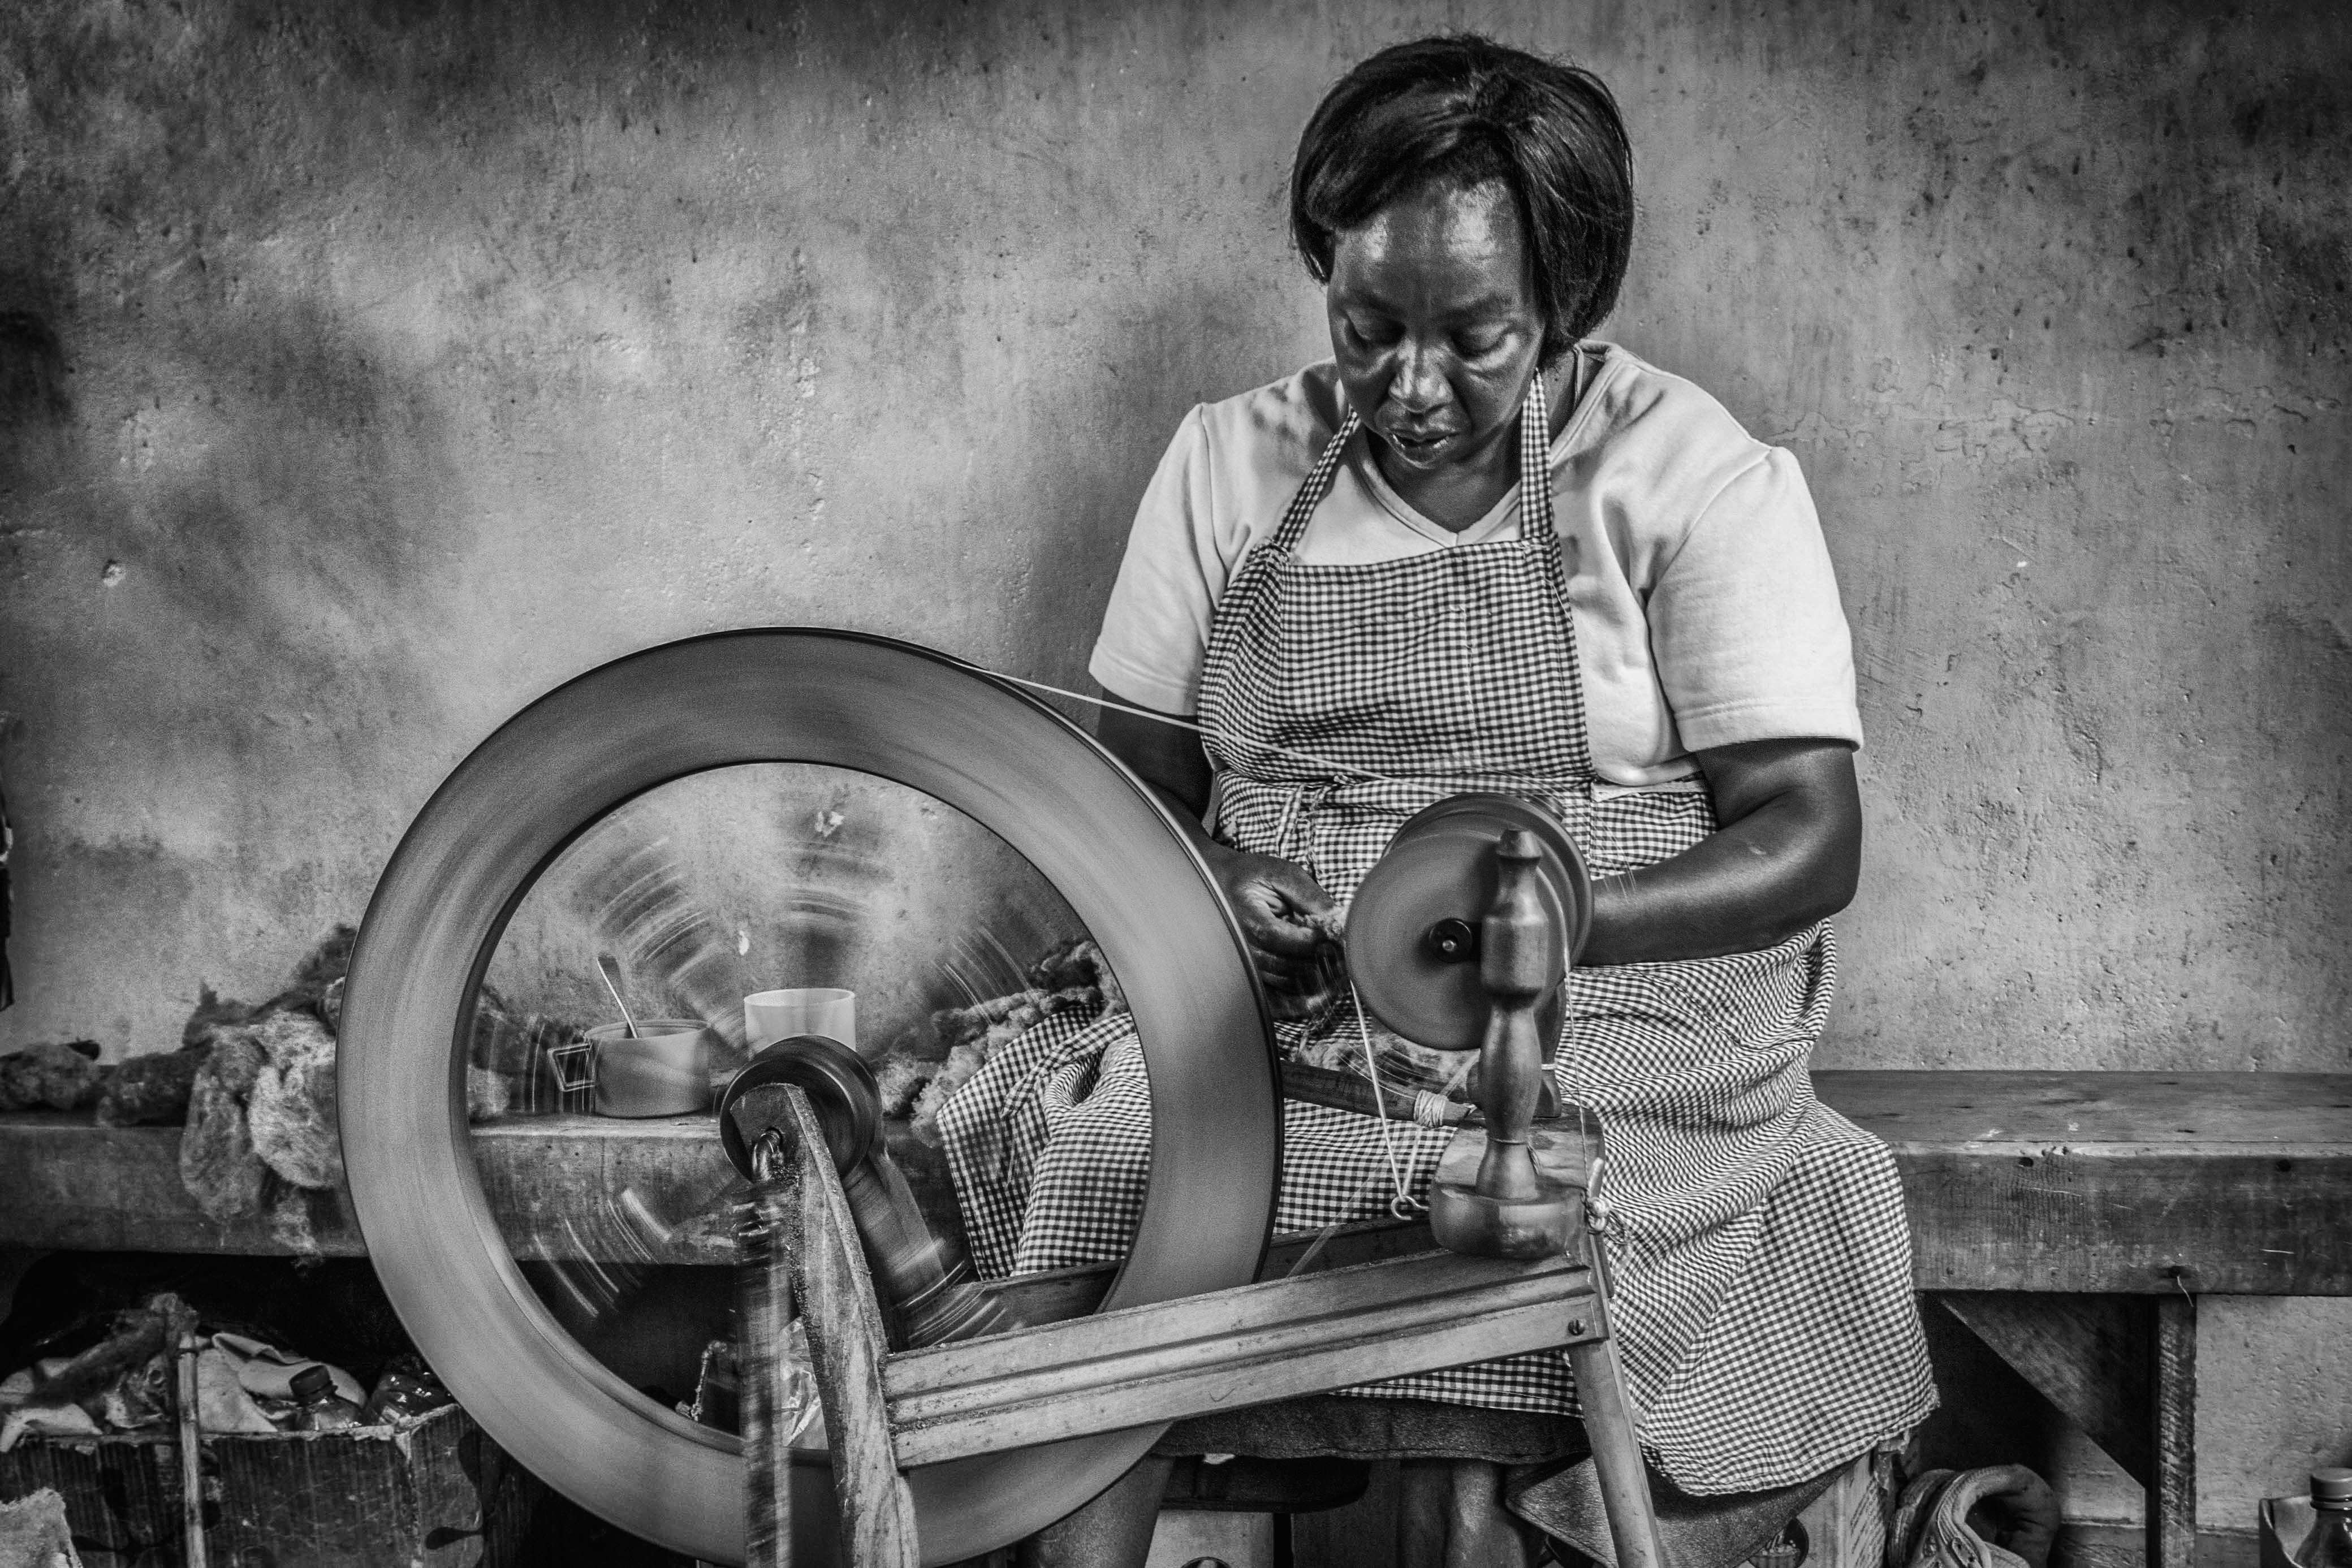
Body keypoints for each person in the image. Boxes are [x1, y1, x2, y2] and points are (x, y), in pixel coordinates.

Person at [942, 34, 1935, 1567]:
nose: (1410, 384)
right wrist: (1215, 882)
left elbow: (1811, 835)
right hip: (1285, 989)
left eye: (1473, 339)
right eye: (1366, 327)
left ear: (1563, 306)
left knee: (1520, 1181)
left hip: (1626, 997)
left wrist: (1549, 922)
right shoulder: (1227, 466)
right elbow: (1125, 804)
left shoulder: (1682, 472)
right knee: (1126, 1146)